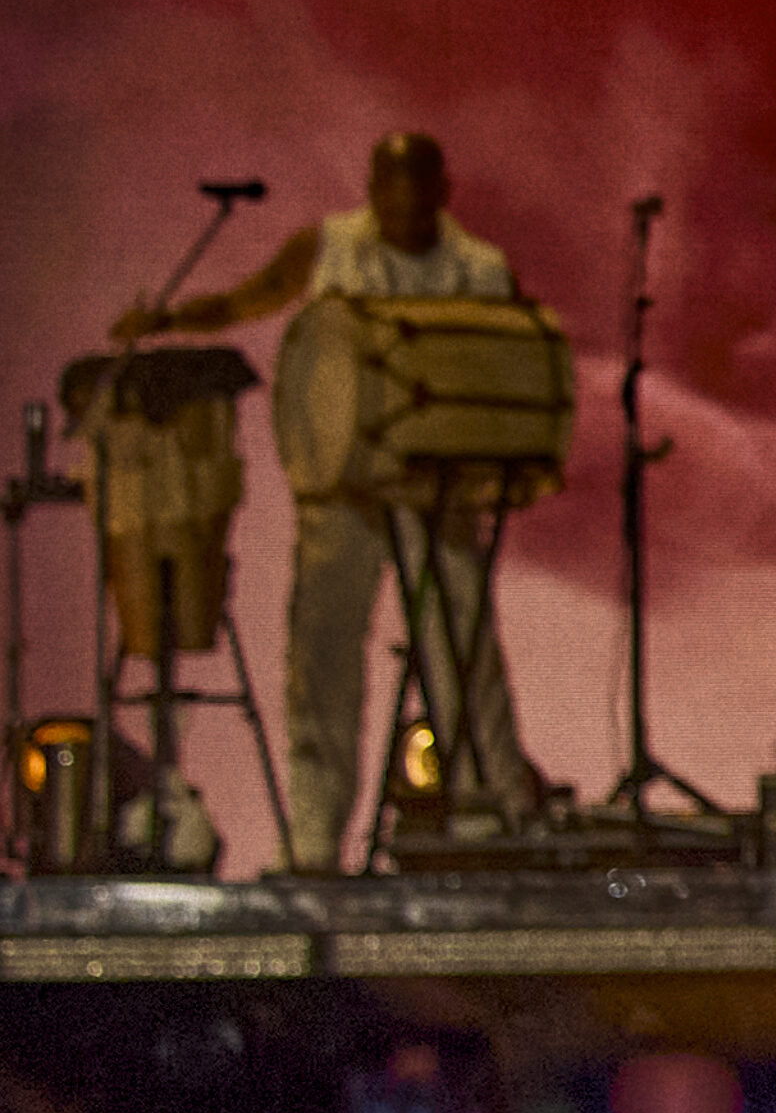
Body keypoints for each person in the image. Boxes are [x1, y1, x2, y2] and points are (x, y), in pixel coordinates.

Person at [119, 131, 533, 870]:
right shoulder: (329, 246)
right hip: (341, 486)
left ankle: (484, 803)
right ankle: (314, 830)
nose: (402, 211)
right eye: (389, 195)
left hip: (435, 482)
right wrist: (170, 320)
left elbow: (508, 368)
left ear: (442, 192)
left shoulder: (479, 269)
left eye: (417, 196)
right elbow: (250, 297)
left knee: (462, 644)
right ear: (372, 191)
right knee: (322, 653)